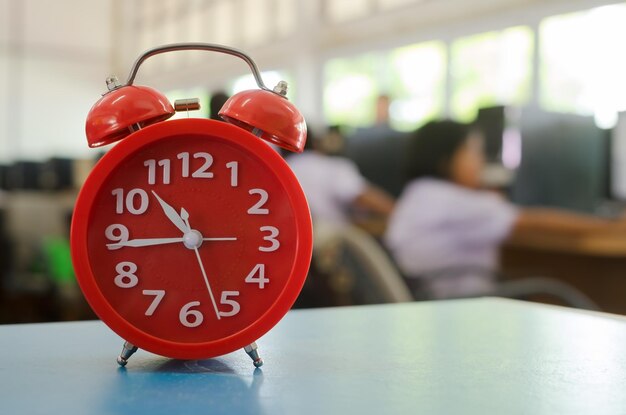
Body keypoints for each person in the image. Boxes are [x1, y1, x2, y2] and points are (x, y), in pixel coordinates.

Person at [385, 120, 626, 299]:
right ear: (446, 158)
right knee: (556, 293)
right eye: (473, 151)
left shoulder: (418, 194)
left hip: (430, 305)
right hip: (462, 309)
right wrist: (610, 225)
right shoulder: (456, 202)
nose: (480, 161)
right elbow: (534, 221)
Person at [286, 125, 395, 227]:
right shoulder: (332, 167)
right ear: (316, 143)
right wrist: (399, 213)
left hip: (289, 237)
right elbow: (361, 195)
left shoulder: (282, 173)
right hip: (331, 238)